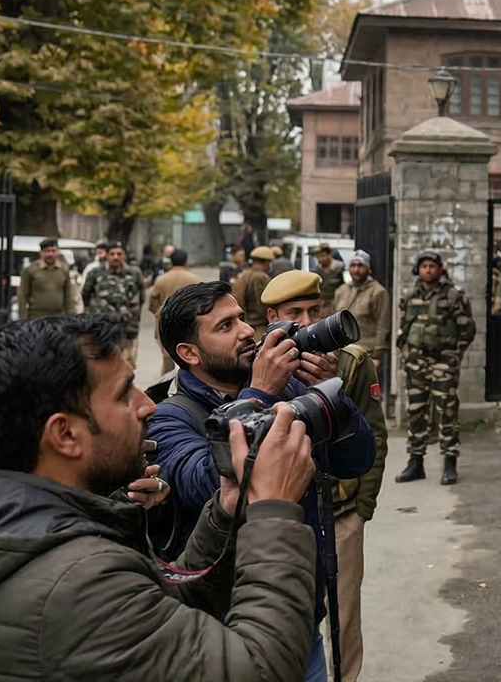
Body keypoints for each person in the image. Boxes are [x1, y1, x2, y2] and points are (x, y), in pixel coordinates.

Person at [0, 314, 320, 681]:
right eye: (122, 393)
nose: (146, 405)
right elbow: (262, 670)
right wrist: (273, 512)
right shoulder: (76, 582)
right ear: (65, 434)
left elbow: (160, 613)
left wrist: (226, 512)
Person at [145, 279, 374, 682]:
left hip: (297, 614)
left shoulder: (288, 384)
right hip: (223, 631)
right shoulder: (171, 417)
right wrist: (259, 394)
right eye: (225, 326)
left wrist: (327, 391)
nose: (247, 331)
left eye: (240, 319)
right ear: (188, 353)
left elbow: (356, 459)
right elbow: (208, 489)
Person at [263, 269, 388, 682]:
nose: (307, 320)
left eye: (314, 310)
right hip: (287, 513)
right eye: (294, 312)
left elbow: (376, 436)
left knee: (344, 616)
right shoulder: (259, 365)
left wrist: (361, 511)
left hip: (340, 510)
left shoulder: (351, 361)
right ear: (271, 317)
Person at [395, 251, 475, 486]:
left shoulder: (454, 296)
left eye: (432, 266)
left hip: (443, 362)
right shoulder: (409, 295)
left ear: (440, 269)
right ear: (418, 270)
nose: (428, 270)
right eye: (424, 266)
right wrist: (406, 355)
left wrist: (453, 357)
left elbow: (467, 330)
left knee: (447, 412)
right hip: (416, 363)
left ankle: (450, 464)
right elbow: (403, 329)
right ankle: (415, 462)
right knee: (416, 412)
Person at [83, 244, 145, 364]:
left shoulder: (134, 273)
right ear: (107, 256)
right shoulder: (95, 273)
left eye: (119, 254)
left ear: (125, 256)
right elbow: (86, 294)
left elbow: (141, 297)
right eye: (112, 254)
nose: (115, 257)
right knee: (102, 361)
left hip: (128, 326)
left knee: (128, 361)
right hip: (102, 325)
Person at [335, 249, 392, 377]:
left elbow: (383, 325)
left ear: (368, 269)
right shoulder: (341, 291)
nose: (356, 270)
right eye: (353, 265)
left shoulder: (377, 292)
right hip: (342, 354)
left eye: (360, 266)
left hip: (366, 354)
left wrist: (378, 356)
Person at [18, 236, 84, 319]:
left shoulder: (63, 270)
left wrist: (71, 316)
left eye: (53, 251)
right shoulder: (30, 270)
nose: (50, 254)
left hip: (59, 316)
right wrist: (23, 318)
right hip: (36, 317)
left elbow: (69, 296)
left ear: (57, 252)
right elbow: (23, 296)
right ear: (41, 253)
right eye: (47, 251)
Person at [233, 245, 276, 336]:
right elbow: (265, 303)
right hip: (259, 326)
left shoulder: (243, 275)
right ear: (266, 262)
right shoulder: (261, 278)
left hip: (246, 323)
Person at [148, 247, 201, 316]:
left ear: (171, 262)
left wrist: (159, 311)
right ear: (186, 262)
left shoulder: (161, 279)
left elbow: (153, 300)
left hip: (165, 318)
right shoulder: (195, 279)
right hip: (187, 318)